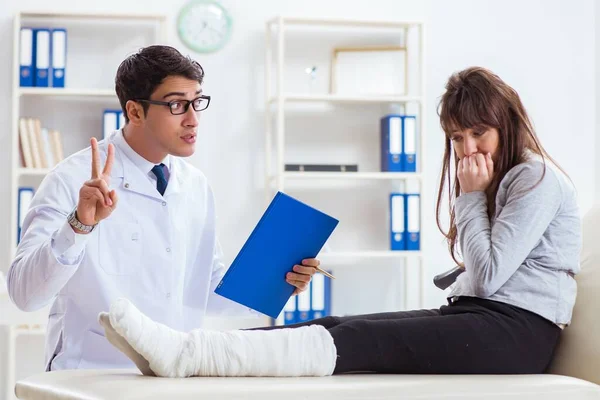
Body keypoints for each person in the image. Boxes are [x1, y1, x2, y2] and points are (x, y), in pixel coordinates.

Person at [98, 66, 581, 378]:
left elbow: (493, 278)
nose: (467, 149)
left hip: (517, 334)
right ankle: (187, 349)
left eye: (479, 133)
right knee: (334, 321)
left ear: (508, 123)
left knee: (361, 339)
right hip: (480, 318)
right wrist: (476, 202)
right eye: (457, 139)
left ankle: (188, 357)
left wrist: (471, 199)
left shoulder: (534, 177)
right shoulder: (500, 178)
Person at [7, 45, 318, 372]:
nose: (193, 119)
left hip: (173, 376)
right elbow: (25, 295)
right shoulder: (71, 179)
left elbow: (203, 288)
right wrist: (79, 225)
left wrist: (277, 282)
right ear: (136, 111)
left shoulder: (195, 185)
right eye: (176, 105)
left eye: (197, 102)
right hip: (92, 376)